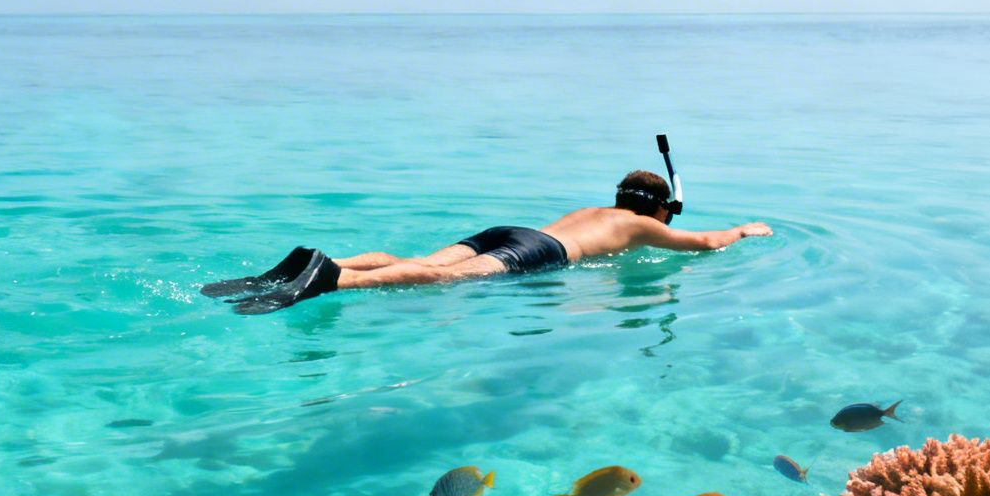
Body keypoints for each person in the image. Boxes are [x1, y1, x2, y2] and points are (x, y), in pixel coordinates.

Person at [204, 170, 772, 314]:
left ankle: (322, 262)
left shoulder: (597, 209)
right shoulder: (644, 224)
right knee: (444, 280)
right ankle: (334, 278)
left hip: (514, 231)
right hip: (541, 254)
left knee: (423, 261)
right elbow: (703, 242)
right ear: (653, 207)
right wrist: (744, 231)